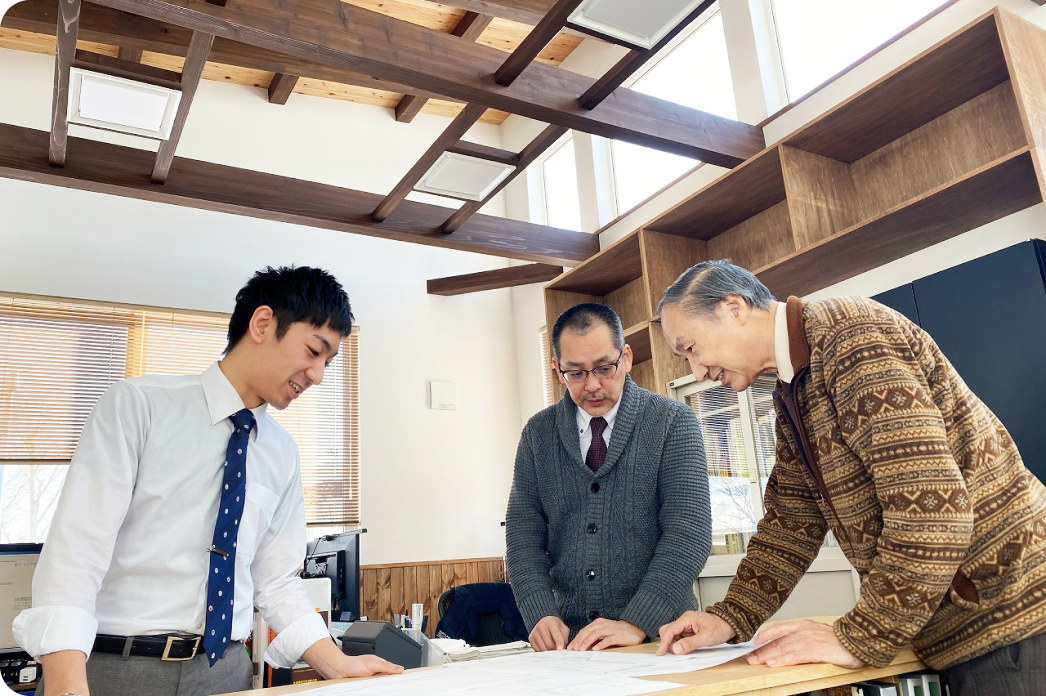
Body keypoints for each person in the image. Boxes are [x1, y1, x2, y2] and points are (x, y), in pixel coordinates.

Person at [655, 260, 1046, 694]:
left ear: (734, 308)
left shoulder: (849, 339)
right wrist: (729, 616)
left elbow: (934, 511)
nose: (696, 371)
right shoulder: (793, 386)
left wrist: (861, 634)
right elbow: (793, 519)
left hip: (1015, 612)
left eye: (690, 348)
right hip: (980, 625)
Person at [14, 266, 402, 696]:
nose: (318, 375)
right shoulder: (137, 407)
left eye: (328, 362)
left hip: (225, 672)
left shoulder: (281, 451)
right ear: (262, 324)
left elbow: (276, 580)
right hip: (116, 668)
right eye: (314, 350)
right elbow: (76, 552)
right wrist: (67, 684)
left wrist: (337, 663)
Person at [506, 303, 711, 653]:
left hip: (663, 639)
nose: (593, 385)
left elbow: (688, 533)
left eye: (605, 367)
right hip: (573, 648)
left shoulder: (671, 422)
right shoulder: (538, 434)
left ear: (627, 357)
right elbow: (523, 537)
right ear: (557, 369)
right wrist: (540, 612)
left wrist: (636, 622)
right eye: (576, 373)